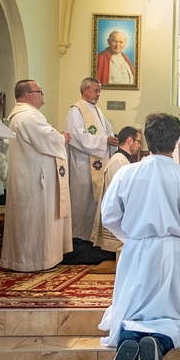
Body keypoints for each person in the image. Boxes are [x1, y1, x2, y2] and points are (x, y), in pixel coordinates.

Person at [98, 113, 180, 360]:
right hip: (173, 252)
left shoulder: (128, 173)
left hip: (137, 250)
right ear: (175, 142)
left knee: (133, 309)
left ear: (146, 139)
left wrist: (132, 237)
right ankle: (156, 346)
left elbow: (109, 215)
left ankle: (129, 342)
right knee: (170, 315)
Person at [0, 80, 73, 272]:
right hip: (34, 182)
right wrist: (62, 137)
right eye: (39, 92)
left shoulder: (25, 115)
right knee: (33, 221)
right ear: (28, 95)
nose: (43, 95)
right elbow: (48, 139)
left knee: (32, 220)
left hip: (31, 178)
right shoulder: (28, 117)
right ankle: (31, 260)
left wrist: (57, 136)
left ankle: (30, 259)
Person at [64, 77, 118, 242]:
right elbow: (76, 137)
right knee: (82, 201)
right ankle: (79, 239)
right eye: (96, 90)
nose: (98, 94)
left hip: (96, 162)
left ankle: (91, 238)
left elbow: (107, 130)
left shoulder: (96, 110)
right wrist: (104, 141)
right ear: (85, 90)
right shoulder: (76, 110)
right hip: (82, 165)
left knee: (93, 203)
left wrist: (112, 139)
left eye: (99, 90)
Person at [90, 126, 141, 252]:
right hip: (116, 213)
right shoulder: (118, 161)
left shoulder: (122, 159)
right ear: (130, 140)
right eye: (138, 142)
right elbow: (121, 192)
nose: (140, 146)